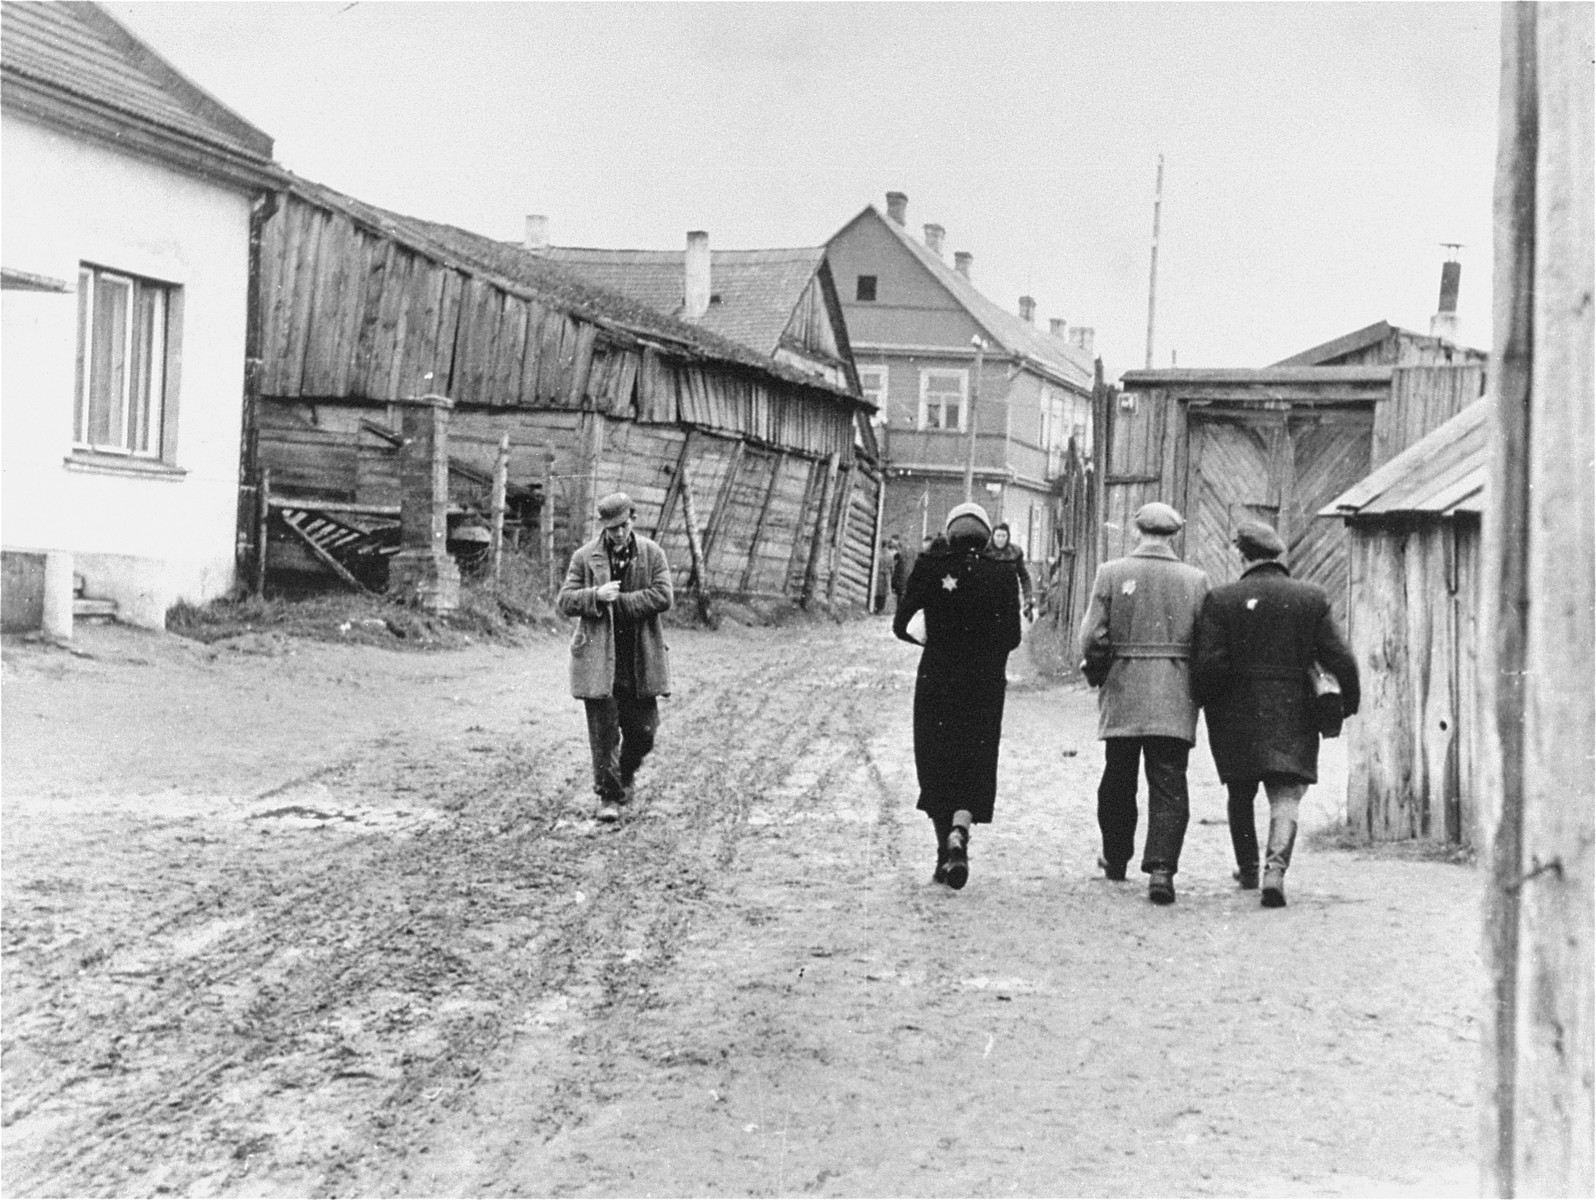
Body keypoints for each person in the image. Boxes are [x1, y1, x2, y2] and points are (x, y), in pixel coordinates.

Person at [1193, 520, 1360, 908]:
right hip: (1294, 708)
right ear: (1278, 555)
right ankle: (1275, 871)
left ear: (1243, 555)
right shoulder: (1311, 598)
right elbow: (1340, 656)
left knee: (1240, 790)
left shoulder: (1221, 600)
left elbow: (1208, 667)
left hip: (1236, 711)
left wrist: (1208, 701)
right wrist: (1348, 700)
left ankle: (1248, 868)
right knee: (1286, 793)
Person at [1077, 502, 1209, 904]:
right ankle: (1162, 870)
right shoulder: (1196, 580)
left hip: (1124, 687)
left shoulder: (1111, 573)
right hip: (1174, 690)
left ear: (1137, 531)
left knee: (1118, 776)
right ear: (1174, 535)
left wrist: (1099, 672)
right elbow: (1207, 643)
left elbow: (1091, 637)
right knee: (1169, 781)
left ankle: (1116, 858)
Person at [892, 502, 1022, 890]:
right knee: (974, 757)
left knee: (936, 758)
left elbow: (900, 624)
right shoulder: (1002, 573)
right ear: (985, 537)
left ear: (950, 532)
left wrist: (928, 642)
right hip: (984, 684)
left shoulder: (931, 568)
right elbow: (1013, 637)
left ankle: (941, 853)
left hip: (937, 679)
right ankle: (960, 832)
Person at [556, 492, 674, 824]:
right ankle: (609, 796)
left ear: (632, 519)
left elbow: (663, 595)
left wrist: (618, 602)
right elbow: (564, 600)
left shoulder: (652, 554)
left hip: (639, 658)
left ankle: (624, 775)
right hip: (599, 657)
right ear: (603, 528)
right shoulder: (584, 557)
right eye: (611, 529)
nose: (618, 534)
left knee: (645, 731)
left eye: (623, 526)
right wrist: (595, 595)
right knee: (604, 732)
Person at [986, 522, 1036, 621]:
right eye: (998, 536)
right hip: (989, 604)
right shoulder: (984, 552)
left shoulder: (1015, 553)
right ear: (993, 536)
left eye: (1004, 536)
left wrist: (1028, 598)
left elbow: (1024, 577)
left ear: (1008, 537)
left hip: (1010, 603)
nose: (1000, 539)